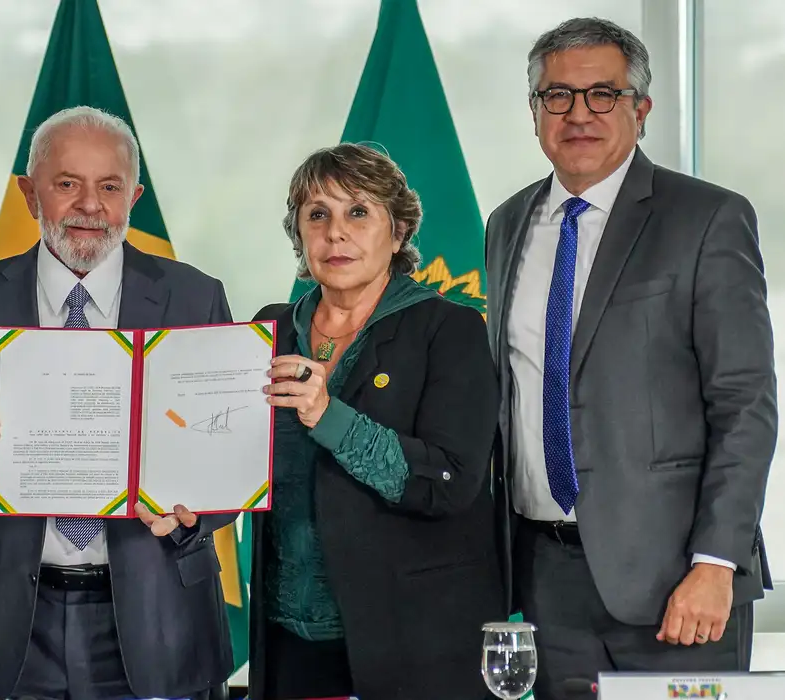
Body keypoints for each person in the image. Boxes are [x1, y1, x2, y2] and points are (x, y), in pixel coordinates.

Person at [485, 17, 775, 698]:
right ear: (534, 112)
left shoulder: (707, 218)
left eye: (603, 95)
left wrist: (716, 563)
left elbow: (744, 405)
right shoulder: (506, 224)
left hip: (676, 581)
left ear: (640, 110)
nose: (578, 114)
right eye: (558, 95)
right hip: (544, 577)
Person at [0, 106, 236, 700]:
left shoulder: (194, 298)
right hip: (14, 623)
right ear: (29, 194)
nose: (90, 205)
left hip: (162, 614)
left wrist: (196, 511)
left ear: (133, 198)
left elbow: (229, 461)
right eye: (67, 183)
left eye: (109, 187)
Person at [249, 143, 503, 699]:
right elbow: (236, 462)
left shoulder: (451, 330)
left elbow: (449, 481)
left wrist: (328, 416)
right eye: (318, 214)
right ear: (298, 233)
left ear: (399, 230)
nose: (336, 232)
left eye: (359, 212)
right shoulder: (269, 330)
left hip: (416, 638)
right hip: (289, 637)